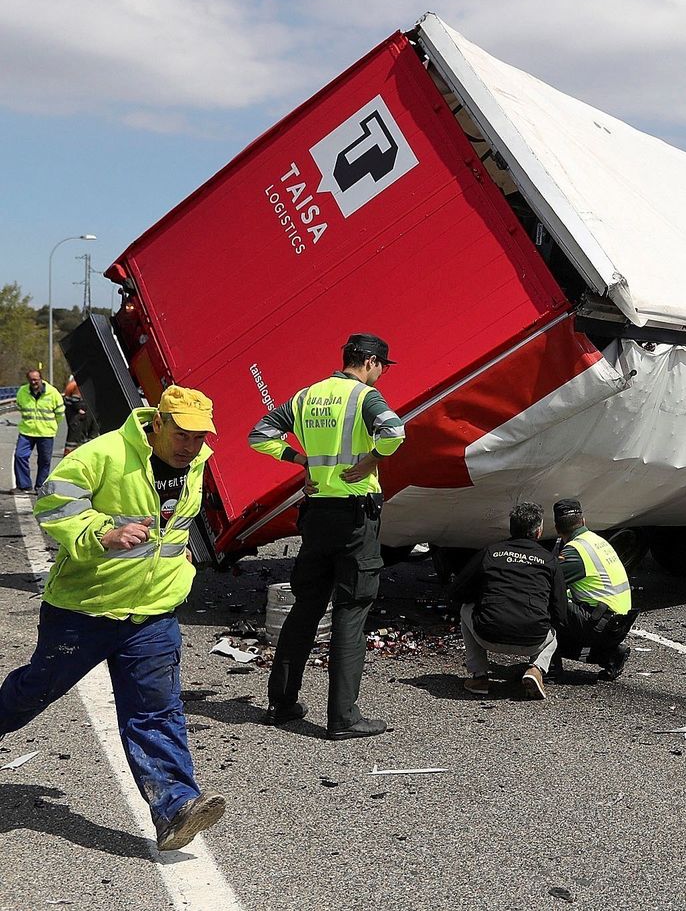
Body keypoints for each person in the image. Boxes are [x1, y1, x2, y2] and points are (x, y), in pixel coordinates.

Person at [2, 386, 225, 851]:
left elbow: (174, 527)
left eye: (200, 437)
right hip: (85, 609)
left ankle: (176, 806)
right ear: (157, 423)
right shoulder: (100, 455)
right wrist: (102, 532)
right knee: (35, 690)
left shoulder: (197, 463)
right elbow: (54, 507)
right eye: (182, 435)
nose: (191, 446)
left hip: (153, 611)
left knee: (156, 709)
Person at [248, 333, 405, 740]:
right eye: (383, 368)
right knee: (351, 611)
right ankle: (343, 718)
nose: (382, 377)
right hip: (356, 518)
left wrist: (302, 461)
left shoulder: (307, 397)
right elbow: (394, 432)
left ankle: (282, 703)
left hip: (316, 515)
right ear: (369, 362)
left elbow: (260, 434)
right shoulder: (363, 398)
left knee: (306, 607)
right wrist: (370, 459)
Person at [448, 502, 566, 699]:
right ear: (538, 532)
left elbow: (457, 591)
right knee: (553, 632)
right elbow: (561, 611)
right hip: (533, 639)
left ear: (511, 528)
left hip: (488, 634)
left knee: (465, 609)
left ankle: (479, 677)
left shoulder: (490, 552)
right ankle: (536, 668)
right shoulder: (549, 560)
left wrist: (482, 599)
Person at [552, 498, 634, 680]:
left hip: (601, 624)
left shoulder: (574, 552)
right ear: (583, 521)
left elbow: (544, 583)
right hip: (618, 622)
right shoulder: (596, 541)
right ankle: (609, 655)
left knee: (546, 603)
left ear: (557, 528)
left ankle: (550, 668)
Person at [13, 368, 65, 494]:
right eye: (31, 379)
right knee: (20, 456)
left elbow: (60, 413)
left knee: (44, 461)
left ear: (41, 379)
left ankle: (40, 487)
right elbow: (19, 406)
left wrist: (51, 425)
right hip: (27, 431)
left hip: (46, 433)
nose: (33, 382)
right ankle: (24, 485)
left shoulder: (53, 393)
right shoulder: (23, 391)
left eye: (35, 379)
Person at [62, 377, 99, 455]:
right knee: (73, 442)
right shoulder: (74, 385)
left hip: (91, 418)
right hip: (77, 419)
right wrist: (78, 408)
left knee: (91, 439)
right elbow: (69, 401)